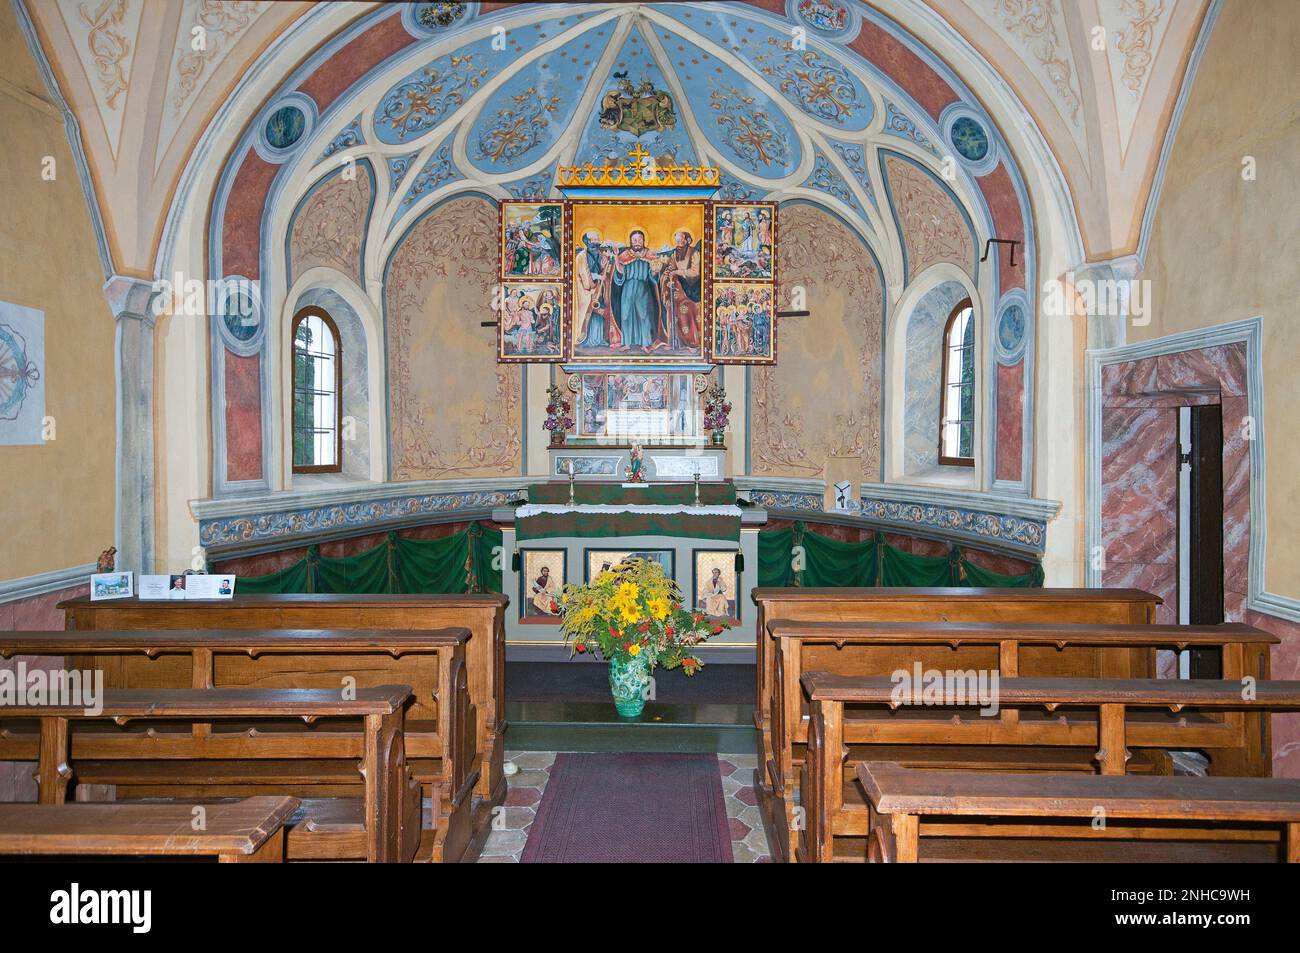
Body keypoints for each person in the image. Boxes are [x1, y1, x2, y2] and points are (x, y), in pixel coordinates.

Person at [612, 229, 663, 350]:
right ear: (630, 241)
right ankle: (627, 343)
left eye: (640, 239)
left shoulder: (649, 254)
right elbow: (621, 272)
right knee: (626, 315)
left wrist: (655, 271)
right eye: (634, 240)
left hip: (642, 288)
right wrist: (615, 257)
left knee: (644, 315)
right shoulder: (625, 255)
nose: (637, 242)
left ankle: (645, 344)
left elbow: (653, 275)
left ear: (644, 241)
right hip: (628, 288)